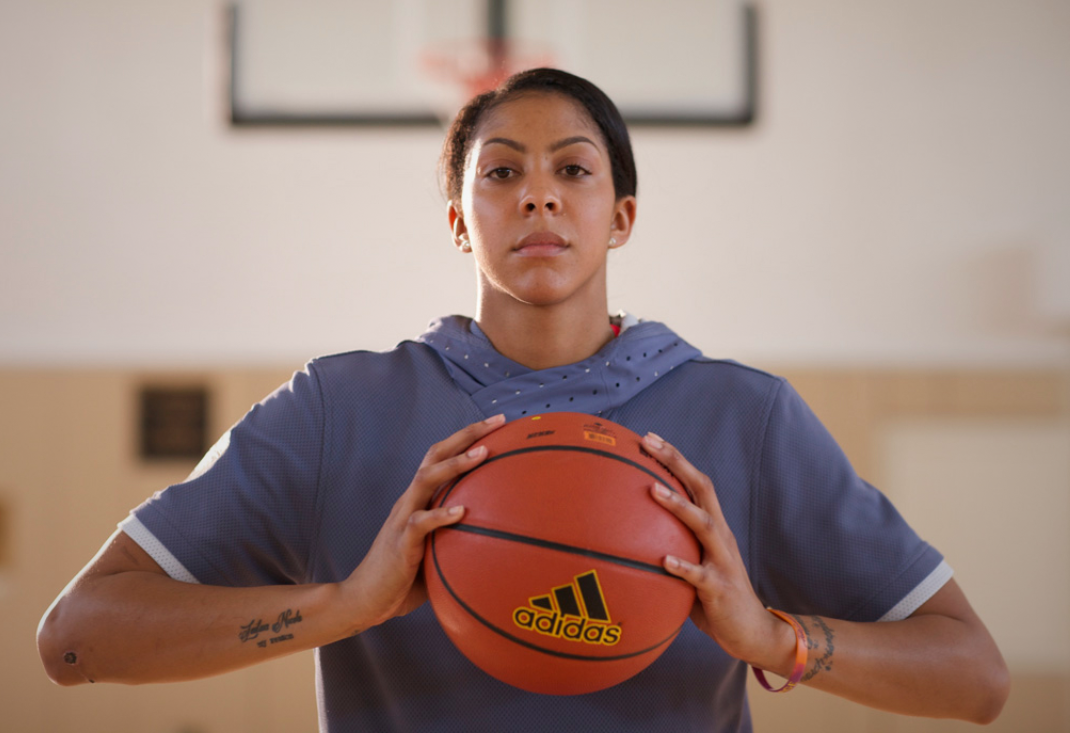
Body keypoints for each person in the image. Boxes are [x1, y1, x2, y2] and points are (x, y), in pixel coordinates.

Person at [37, 68, 1009, 732]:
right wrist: (344, 604)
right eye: (500, 171)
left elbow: (974, 677)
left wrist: (769, 637)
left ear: (618, 216)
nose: (536, 196)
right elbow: (77, 638)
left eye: (572, 170)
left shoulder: (742, 418)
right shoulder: (337, 408)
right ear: (461, 223)